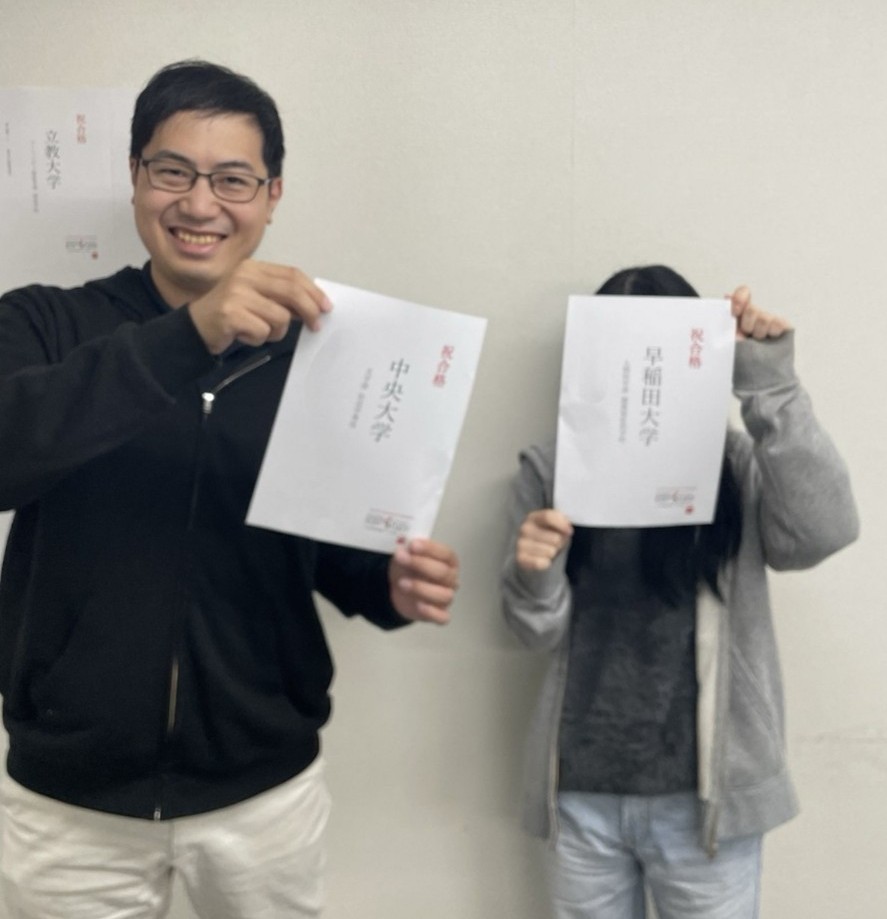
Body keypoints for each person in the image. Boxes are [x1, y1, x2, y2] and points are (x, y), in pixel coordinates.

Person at [0, 60, 459, 919]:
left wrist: (386, 583)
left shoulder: (323, 355)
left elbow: (324, 546)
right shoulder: (43, 323)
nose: (200, 202)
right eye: (172, 171)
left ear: (272, 194)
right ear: (134, 176)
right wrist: (189, 335)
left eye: (233, 179)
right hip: (69, 807)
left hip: (263, 799)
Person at [500, 265, 859, 919]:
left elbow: (823, 532)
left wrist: (769, 381)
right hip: (580, 793)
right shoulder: (551, 470)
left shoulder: (735, 465)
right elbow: (532, 631)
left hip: (707, 799)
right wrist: (534, 573)